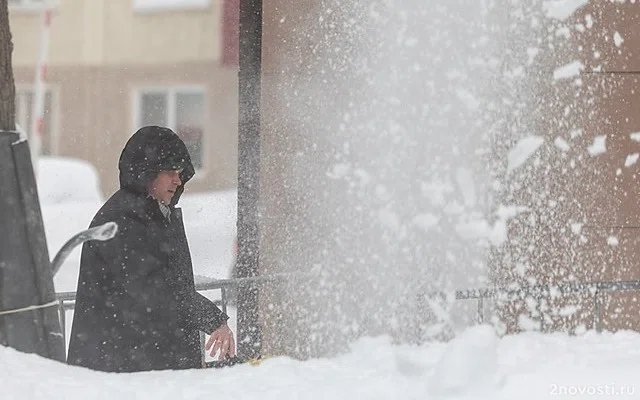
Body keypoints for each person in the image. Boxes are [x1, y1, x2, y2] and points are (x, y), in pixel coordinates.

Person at [67, 125, 235, 372]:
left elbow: (170, 292)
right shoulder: (121, 221)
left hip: (144, 365)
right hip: (118, 372)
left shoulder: (155, 214)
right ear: (146, 173)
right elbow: (155, 291)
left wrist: (187, 356)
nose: (178, 180)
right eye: (169, 172)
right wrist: (212, 319)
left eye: (180, 172)